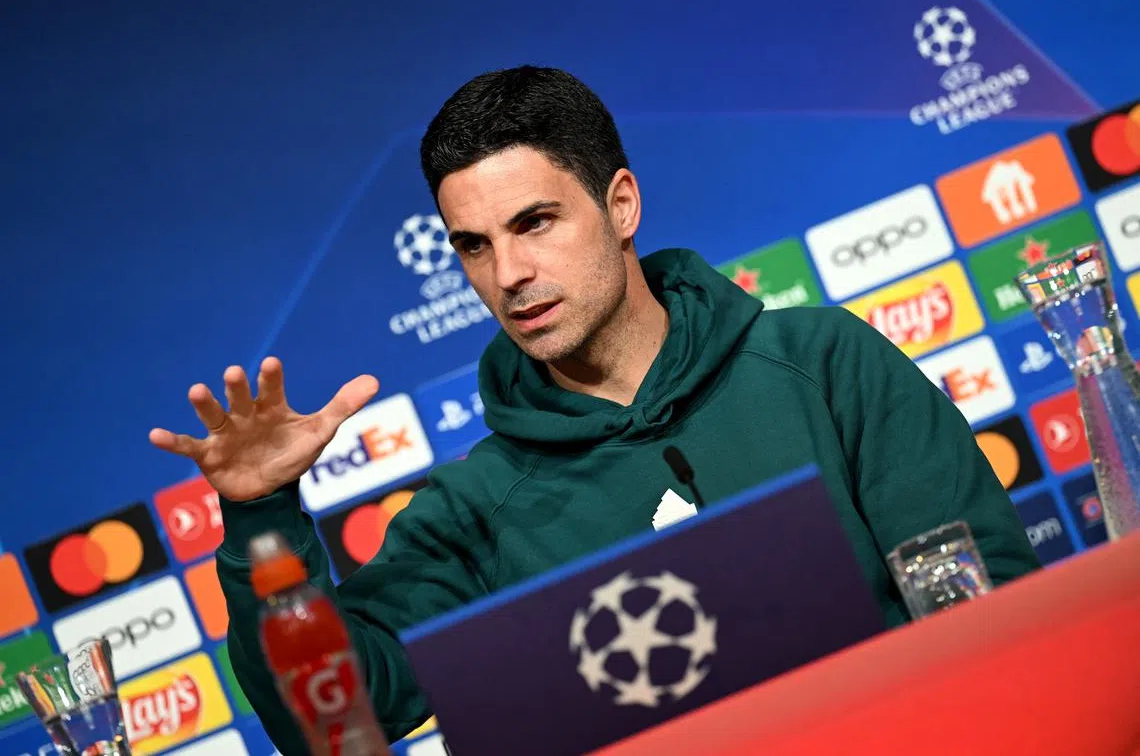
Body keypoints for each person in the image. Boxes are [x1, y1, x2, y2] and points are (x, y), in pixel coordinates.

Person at [149, 65, 1041, 750]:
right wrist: (261, 517)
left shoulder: (821, 364)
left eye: (534, 223)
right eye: (474, 245)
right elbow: (338, 717)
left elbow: (986, 602)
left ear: (620, 205)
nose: (507, 275)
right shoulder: (472, 513)